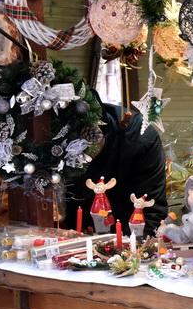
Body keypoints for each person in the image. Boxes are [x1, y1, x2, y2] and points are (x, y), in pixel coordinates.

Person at [64, 96, 168, 236]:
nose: (83, 159)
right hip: (72, 233)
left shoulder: (140, 137)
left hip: (127, 231)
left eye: (88, 148)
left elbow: (151, 211)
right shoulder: (55, 145)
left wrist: (130, 245)